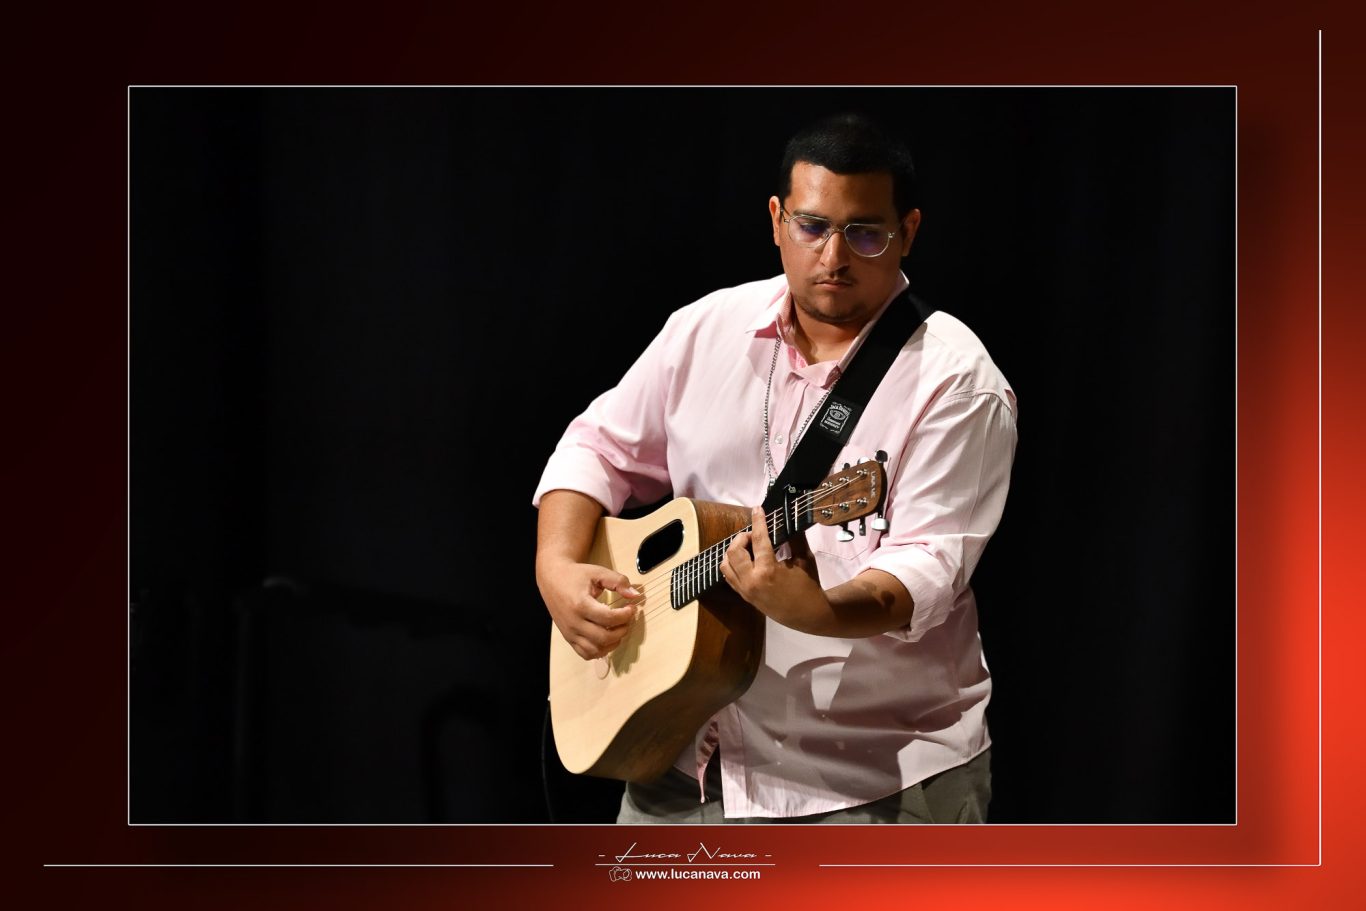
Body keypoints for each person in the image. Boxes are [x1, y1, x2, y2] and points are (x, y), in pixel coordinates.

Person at [533, 113, 1017, 823]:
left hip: (868, 779)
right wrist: (556, 566)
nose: (834, 257)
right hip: (681, 756)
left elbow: (925, 569)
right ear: (776, 220)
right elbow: (595, 448)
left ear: (908, 231)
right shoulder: (705, 329)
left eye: (865, 233)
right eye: (812, 226)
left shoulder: (956, 382)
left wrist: (817, 610)